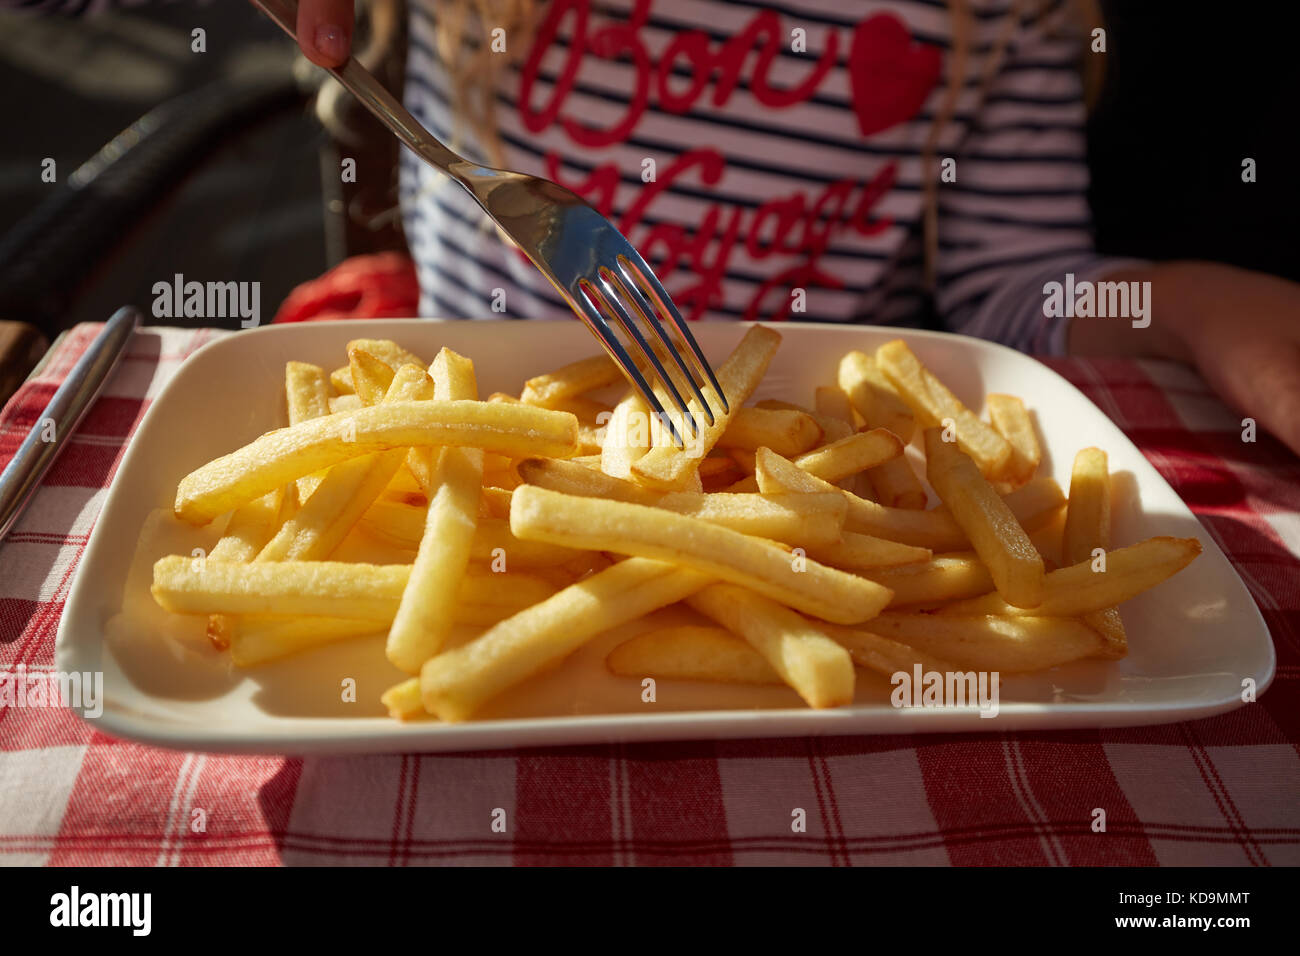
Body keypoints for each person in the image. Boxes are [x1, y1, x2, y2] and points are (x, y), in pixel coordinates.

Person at [12, 1, 1300, 455]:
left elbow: (1013, 298)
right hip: (472, 454)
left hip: (800, 460)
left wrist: (1186, 301)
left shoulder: (986, 15)